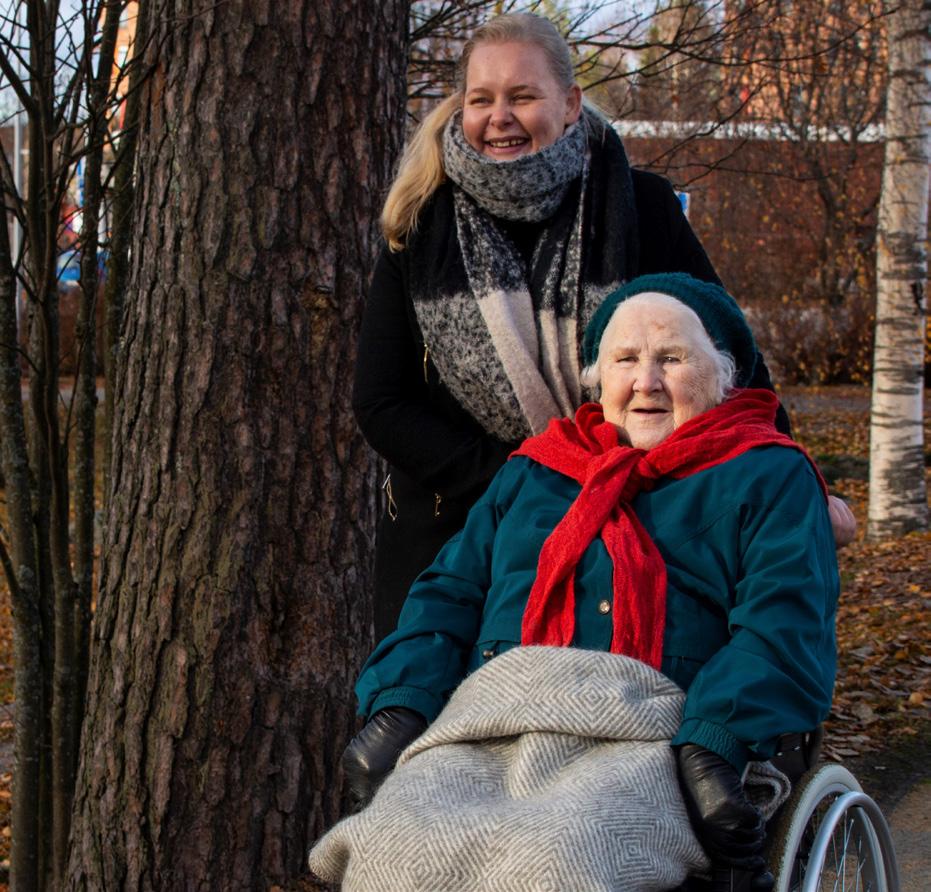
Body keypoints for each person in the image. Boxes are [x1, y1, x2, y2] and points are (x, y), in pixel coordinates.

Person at [318, 274, 839, 891]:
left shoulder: (767, 473)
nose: (645, 382)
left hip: (658, 732)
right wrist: (401, 698)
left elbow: (783, 626)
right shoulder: (537, 470)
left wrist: (713, 739)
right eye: (625, 360)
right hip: (494, 722)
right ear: (598, 379)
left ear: (724, 375)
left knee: (560, 861)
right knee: (392, 853)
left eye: (671, 359)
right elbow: (449, 594)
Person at [351, 13, 848, 644]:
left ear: (569, 103)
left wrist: (796, 486)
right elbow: (382, 401)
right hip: (456, 539)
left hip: (639, 526)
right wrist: (530, 478)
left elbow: (734, 362)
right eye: (482, 99)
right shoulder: (422, 228)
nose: (499, 116)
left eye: (523, 96)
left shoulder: (641, 208)